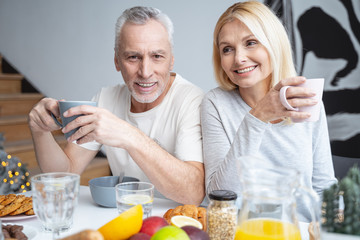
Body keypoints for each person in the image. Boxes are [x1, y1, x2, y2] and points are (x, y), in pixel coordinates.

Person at [29, 6, 205, 205]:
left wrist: (128, 135)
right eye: (133, 57)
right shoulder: (106, 99)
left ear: (171, 60)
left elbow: (193, 194)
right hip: (126, 219)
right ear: (117, 61)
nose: (145, 72)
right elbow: (63, 176)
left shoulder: (192, 100)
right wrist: (40, 131)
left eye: (157, 56)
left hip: (177, 227)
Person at [201, 1, 337, 220]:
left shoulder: (306, 100)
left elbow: (324, 188)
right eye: (227, 49)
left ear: (273, 44)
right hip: (244, 232)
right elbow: (220, 196)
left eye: (251, 43)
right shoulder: (216, 103)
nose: (239, 58)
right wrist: (257, 118)